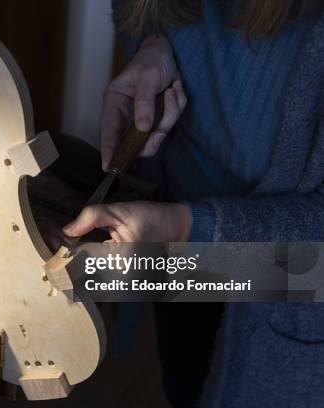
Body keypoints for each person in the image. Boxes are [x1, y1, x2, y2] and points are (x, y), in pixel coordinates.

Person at [61, 0, 324, 406]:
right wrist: (153, 47)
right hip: (179, 246)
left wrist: (183, 229)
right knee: (185, 382)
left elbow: (311, 261)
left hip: (289, 284)